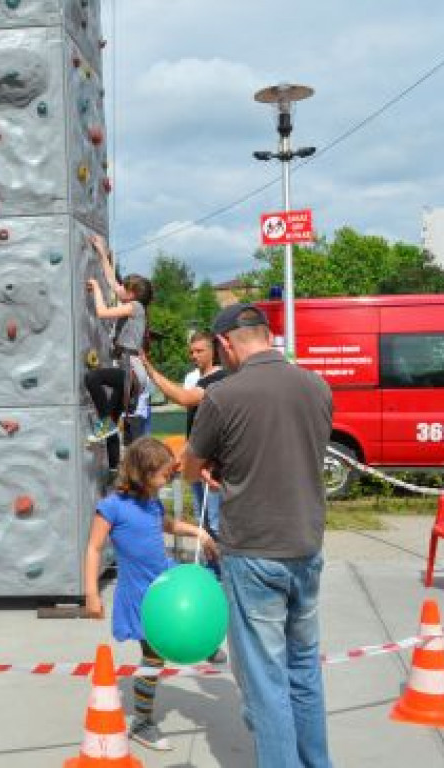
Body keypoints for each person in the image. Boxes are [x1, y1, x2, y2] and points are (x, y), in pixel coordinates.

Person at [184, 303, 333, 768]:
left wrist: (211, 471)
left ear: (226, 344)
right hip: (306, 546)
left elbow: (191, 463)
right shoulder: (317, 386)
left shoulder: (224, 396)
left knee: (267, 681)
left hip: (253, 551)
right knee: (304, 671)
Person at [84, 437, 217, 751]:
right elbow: (93, 547)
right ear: (141, 472)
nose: (169, 475)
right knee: (153, 658)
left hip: (165, 585)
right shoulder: (112, 507)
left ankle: (202, 643)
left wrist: (197, 531)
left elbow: (164, 524)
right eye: (162, 472)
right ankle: (142, 722)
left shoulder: (152, 501)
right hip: (142, 596)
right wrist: (92, 593)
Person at [142, 331, 227, 538]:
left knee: (215, 524)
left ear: (213, 351)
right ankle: (209, 566)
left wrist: (150, 370)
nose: (194, 356)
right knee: (202, 521)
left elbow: (185, 398)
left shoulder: (218, 378)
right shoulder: (200, 379)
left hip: (212, 464)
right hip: (197, 459)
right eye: (191, 351)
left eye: (199, 351)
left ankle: (220, 568)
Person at [83, 234, 154, 469]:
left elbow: (102, 312)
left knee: (92, 378)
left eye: (125, 288)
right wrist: (103, 253)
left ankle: (104, 425)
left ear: (132, 294)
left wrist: (95, 289)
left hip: (130, 372)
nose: (119, 289)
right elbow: (113, 282)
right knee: (113, 422)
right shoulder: (134, 304)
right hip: (129, 371)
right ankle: (114, 469)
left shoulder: (134, 307)